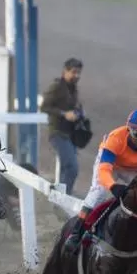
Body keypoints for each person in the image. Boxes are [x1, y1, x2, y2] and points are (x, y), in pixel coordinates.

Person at [63, 108, 137, 255]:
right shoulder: (116, 137)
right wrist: (113, 186)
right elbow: (104, 170)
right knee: (98, 192)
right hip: (112, 165)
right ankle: (76, 232)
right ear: (128, 130)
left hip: (133, 168)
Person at [40, 57, 84, 196]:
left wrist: (78, 113)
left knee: (67, 167)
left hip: (69, 134)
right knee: (71, 167)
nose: (76, 76)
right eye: (73, 72)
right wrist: (64, 114)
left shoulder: (73, 88)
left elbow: (74, 106)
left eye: (78, 73)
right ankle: (63, 199)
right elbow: (44, 106)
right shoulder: (57, 86)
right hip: (58, 133)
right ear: (65, 71)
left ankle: (60, 199)